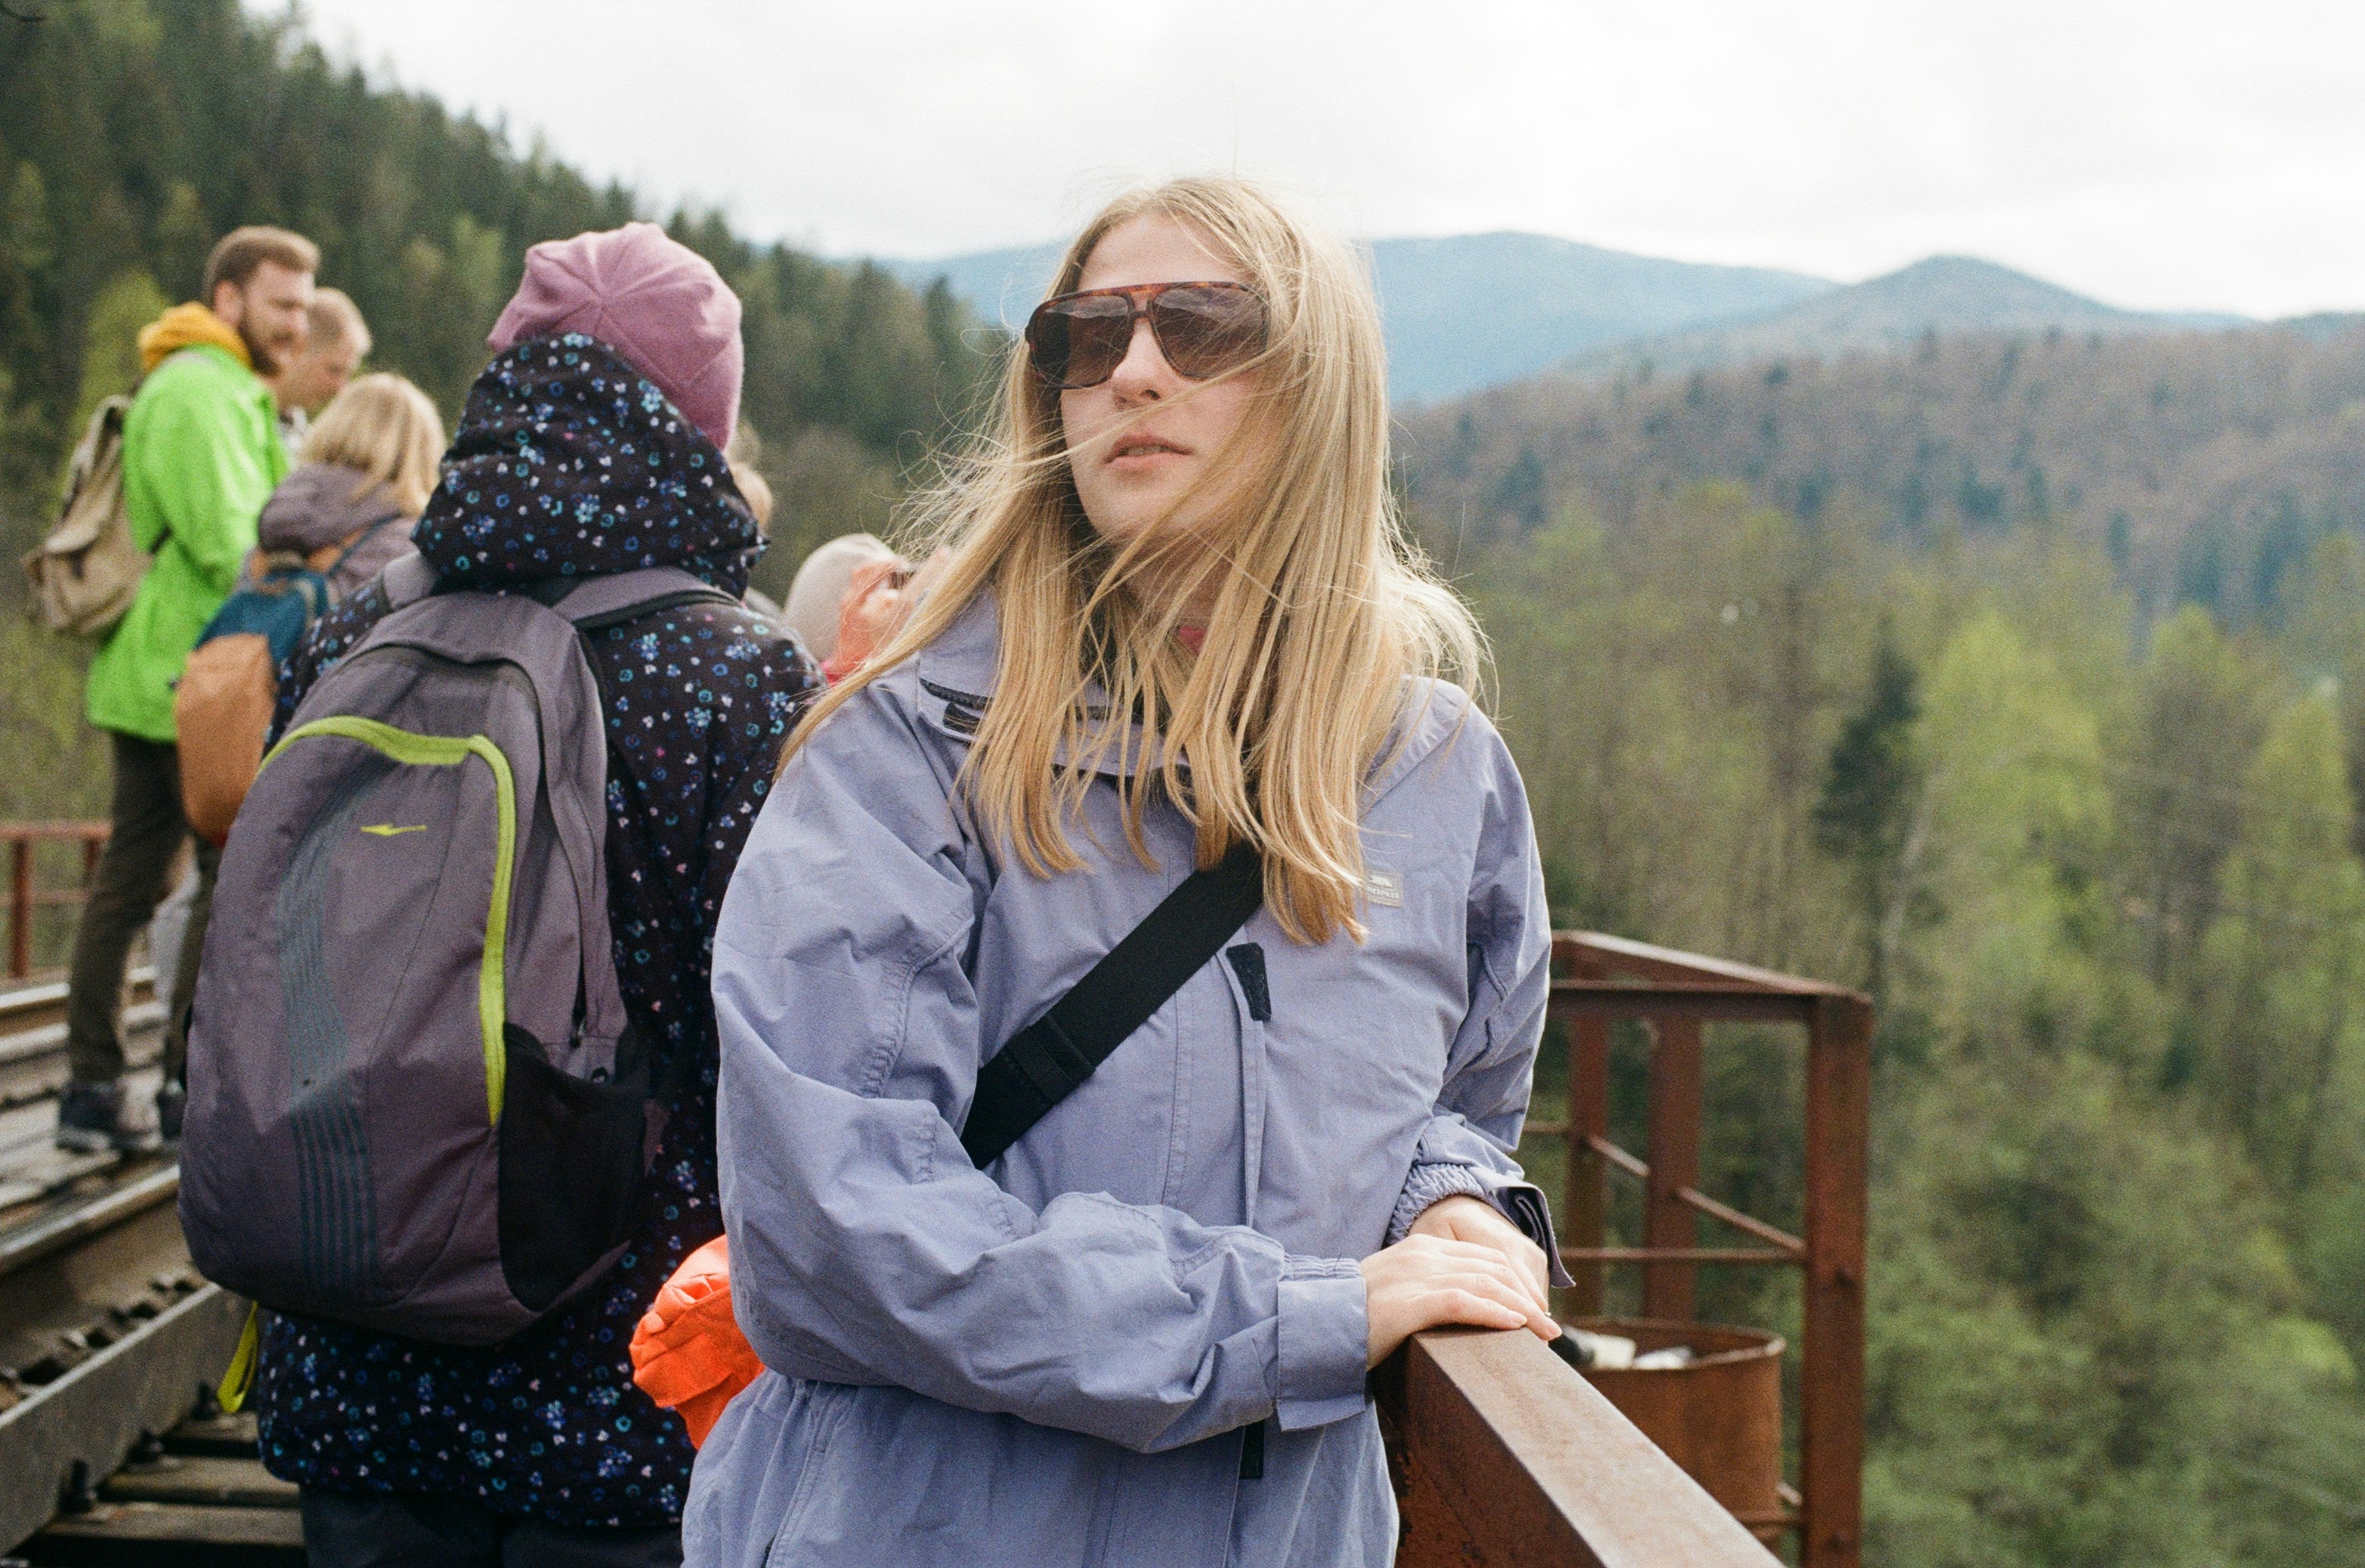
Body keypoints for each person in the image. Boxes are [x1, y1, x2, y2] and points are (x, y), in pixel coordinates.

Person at [689, 177, 1562, 1567]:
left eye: (1202, 327)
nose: (1135, 370)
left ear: (1317, 387)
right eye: (1087, 338)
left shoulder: (1436, 771)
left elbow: (1459, 1102)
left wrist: (1450, 1205)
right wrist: (1307, 1320)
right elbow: (839, 1235)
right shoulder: (906, 752)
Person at [248, 221, 821, 1567]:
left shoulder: (351, 628)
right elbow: (786, 1037)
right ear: (700, 416)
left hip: (356, 1356)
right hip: (622, 1393)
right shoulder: (736, 671)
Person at [57, 224, 315, 1152]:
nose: (297, 323)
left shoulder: (218, 384)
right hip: (194, 678)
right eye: (283, 304)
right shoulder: (202, 391)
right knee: (208, 881)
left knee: (142, 881)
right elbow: (231, 538)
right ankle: (166, 1083)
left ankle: (104, 1085)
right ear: (233, 296)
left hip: (182, 674)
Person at [153, 371, 445, 1132]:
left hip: (236, 741)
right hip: (322, 758)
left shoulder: (277, 522)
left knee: (222, 907)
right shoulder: (394, 538)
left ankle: (180, 1075)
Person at [268, 286, 371, 453]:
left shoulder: (303, 438)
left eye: (348, 374)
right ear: (298, 349)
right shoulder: (236, 415)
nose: (340, 388)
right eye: (334, 370)